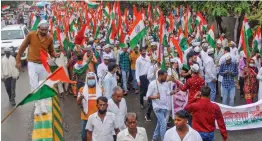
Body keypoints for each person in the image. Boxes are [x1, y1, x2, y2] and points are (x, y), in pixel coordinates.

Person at [16, 20, 57, 115]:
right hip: (32, 63)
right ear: (38, 28)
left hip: (44, 64)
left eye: (46, 30)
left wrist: (56, 54)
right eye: (42, 29)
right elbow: (22, 48)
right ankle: (37, 106)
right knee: (34, 86)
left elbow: (51, 51)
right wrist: (18, 60)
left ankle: (43, 105)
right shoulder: (31, 35)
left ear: (48, 30)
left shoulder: (50, 38)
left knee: (42, 85)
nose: (43, 31)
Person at [146, 69, 172, 141]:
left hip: (165, 107)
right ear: (160, 76)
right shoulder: (152, 84)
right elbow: (148, 96)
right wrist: (155, 97)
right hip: (157, 108)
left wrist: (173, 92)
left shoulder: (165, 83)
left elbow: (168, 92)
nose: (166, 78)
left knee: (160, 123)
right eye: (165, 76)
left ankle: (154, 138)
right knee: (163, 124)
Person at [76, 72, 102, 141]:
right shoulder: (82, 90)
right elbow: (78, 103)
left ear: (95, 79)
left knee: (96, 136)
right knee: (84, 136)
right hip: (85, 117)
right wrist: (81, 98)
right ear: (86, 80)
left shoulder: (101, 90)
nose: (91, 80)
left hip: (97, 117)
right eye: (89, 78)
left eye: (92, 78)